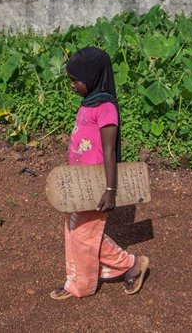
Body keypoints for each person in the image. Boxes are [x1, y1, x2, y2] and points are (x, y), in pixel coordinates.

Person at [50, 47, 149, 300]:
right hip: (79, 181)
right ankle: (114, 268)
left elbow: (108, 151)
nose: (72, 85)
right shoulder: (89, 102)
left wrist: (110, 189)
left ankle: (89, 281)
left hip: (95, 184)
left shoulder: (105, 108)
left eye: (76, 80)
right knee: (75, 230)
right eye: (70, 79)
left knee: (84, 235)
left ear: (93, 78)